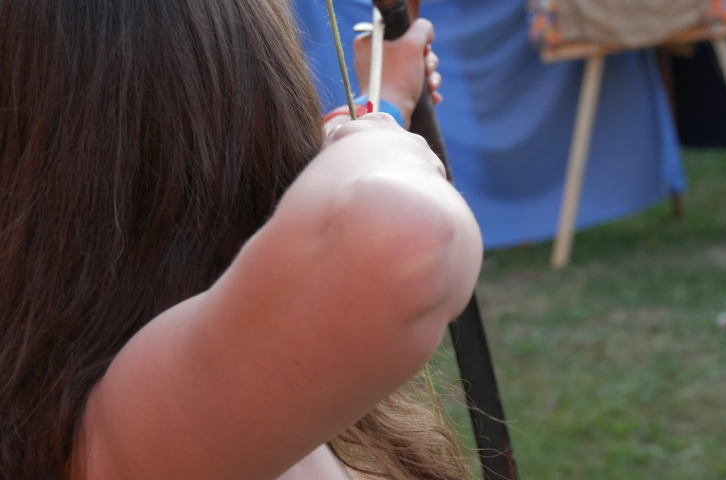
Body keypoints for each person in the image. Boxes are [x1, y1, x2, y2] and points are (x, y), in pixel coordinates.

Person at [0, 0, 482, 479]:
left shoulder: (88, 401)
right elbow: (403, 234)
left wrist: (387, 102)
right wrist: (378, 137)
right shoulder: (125, 427)